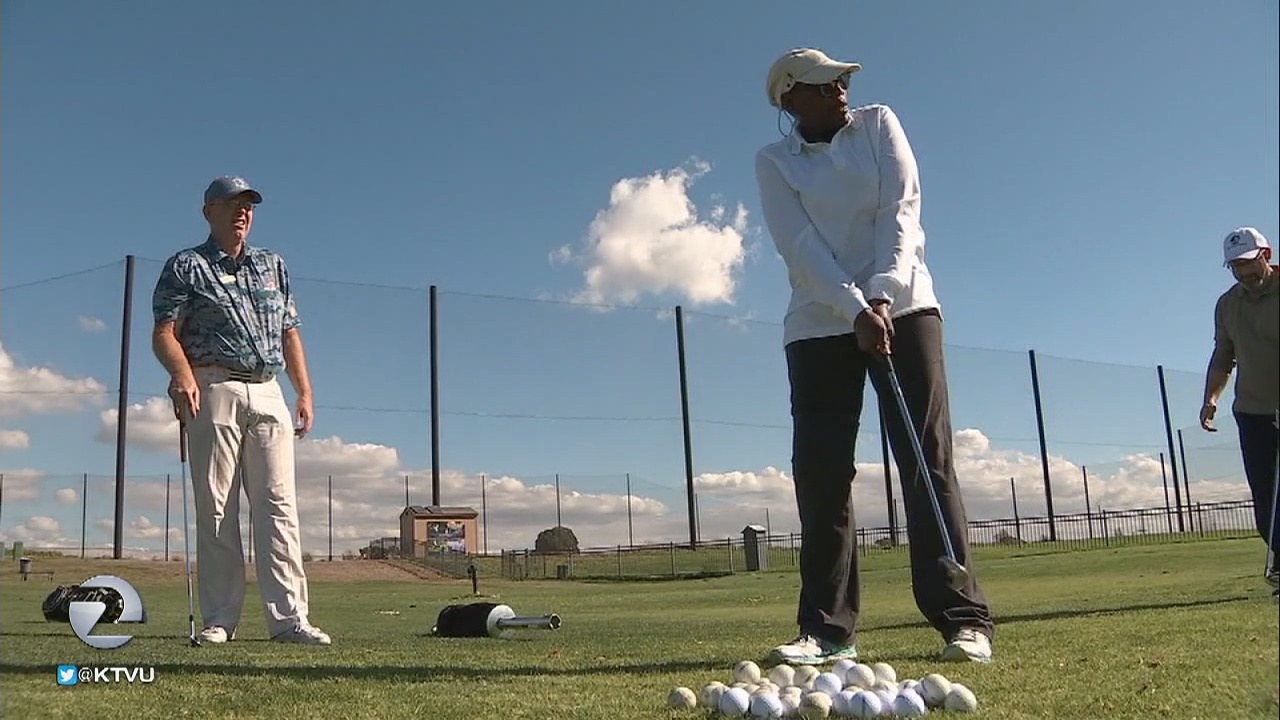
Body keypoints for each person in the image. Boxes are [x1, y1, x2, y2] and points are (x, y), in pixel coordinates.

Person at [753, 48, 995, 665]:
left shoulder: (880, 123)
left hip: (906, 307)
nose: (840, 89)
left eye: (841, 79)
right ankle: (828, 631)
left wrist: (881, 298)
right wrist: (852, 307)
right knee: (822, 473)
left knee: (926, 459)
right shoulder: (774, 162)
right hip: (818, 321)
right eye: (822, 83)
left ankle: (963, 620)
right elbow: (799, 247)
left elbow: (902, 213)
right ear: (790, 100)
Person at [151, 175, 331, 645]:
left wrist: (304, 392)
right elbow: (165, 331)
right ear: (208, 210)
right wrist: (182, 375)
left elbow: (289, 331)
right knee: (217, 508)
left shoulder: (273, 264)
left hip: (268, 388)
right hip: (212, 385)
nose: (242, 212)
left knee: (279, 508)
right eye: (232, 204)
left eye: (248, 204)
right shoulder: (186, 266)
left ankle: (290, 621)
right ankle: (219, 620)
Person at [1199, 226, 1278, 594]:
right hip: (1253, 412)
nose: (1243, 274)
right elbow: (1223, 356)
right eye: (1234, 267)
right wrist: (1211, 398)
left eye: (1248, 263)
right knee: (1267, 502)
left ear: (1267, 254)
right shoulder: (1227, 304)